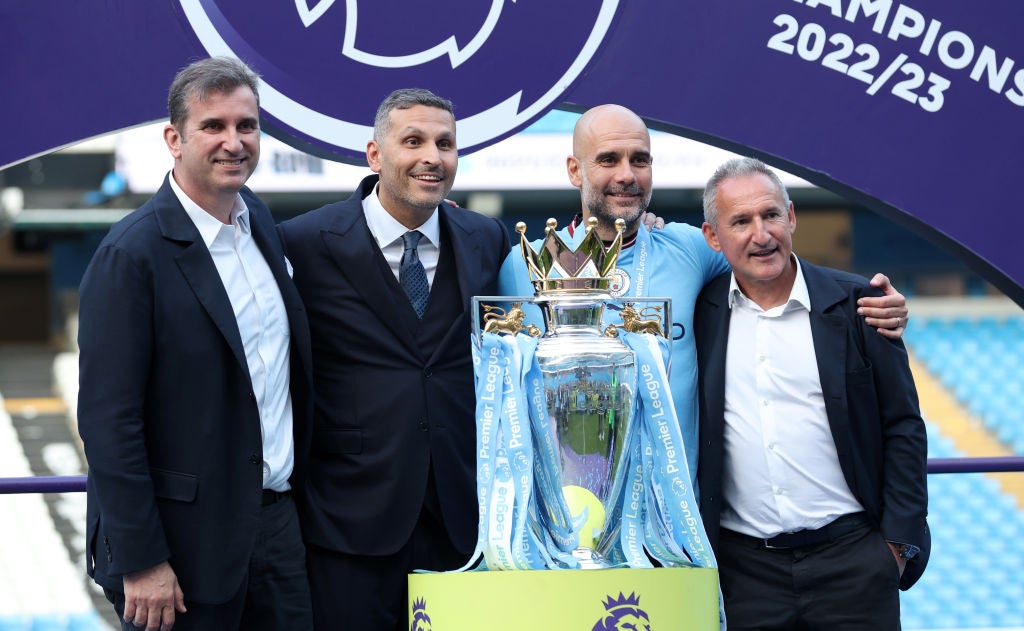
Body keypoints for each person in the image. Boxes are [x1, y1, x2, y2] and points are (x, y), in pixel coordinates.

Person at [497, 104, 909, 493]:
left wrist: (866, 298)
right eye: (608, 160)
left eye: (640, 160)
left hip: (677, 521)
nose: (628, 175)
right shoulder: (524, 265)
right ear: (575, 169)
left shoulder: (691, 249)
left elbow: (769, 261)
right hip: (568, 507)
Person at [77, 57, 314, 630]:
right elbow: (110, 423)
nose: (234, 142)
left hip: (276, 530)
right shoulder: (130, 255)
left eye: (247, 126)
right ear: (174, 139)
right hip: (179, 551)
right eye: (214, 126)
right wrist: (143, 560)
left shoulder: (257, 218)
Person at [277, 88, 511, 630]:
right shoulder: (304, 242)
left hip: (464, 521)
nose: (433, 156)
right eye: (413, 141)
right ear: (374, 154)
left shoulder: (486, 238)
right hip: (348, 523)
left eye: (445, 143)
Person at [694, 157, 929, 629]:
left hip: (854, 563)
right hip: (743, 574)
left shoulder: (861, 303)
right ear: (713, 238)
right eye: (740, 221)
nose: (761, 235)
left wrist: (895, 549)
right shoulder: (701, 313)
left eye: (771, 215)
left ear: (792, 217)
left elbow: (903, 424)